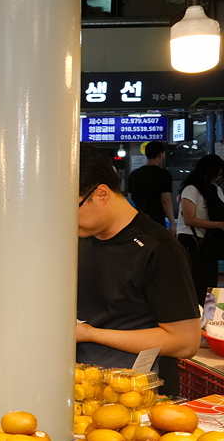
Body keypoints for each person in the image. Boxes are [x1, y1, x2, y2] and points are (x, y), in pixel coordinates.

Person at [76, 143, 200, 370]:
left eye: (72, 207)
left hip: (136, 391)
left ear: (101, 194)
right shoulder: (78, 239)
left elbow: (186, 342)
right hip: (81, 384)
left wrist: (91, 334)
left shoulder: (158, 249)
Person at [176, 154, 224, 303]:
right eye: (215, 173)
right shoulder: (191, 190)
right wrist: (219, 225)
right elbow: (189, 219)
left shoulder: (216, 190)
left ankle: (209, 323)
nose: (217, 177)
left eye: (220, 174)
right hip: (191, 242)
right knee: (196, 284)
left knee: (211, 286)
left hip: (210, 244)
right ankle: (195, 320)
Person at [127, 141, 175, 233]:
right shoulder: (164, 174)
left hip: (138, 222)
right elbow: (166, 200)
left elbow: (130, 200)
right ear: (160, 155)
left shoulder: (134, 174)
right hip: (156, 222)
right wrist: (172, 224)